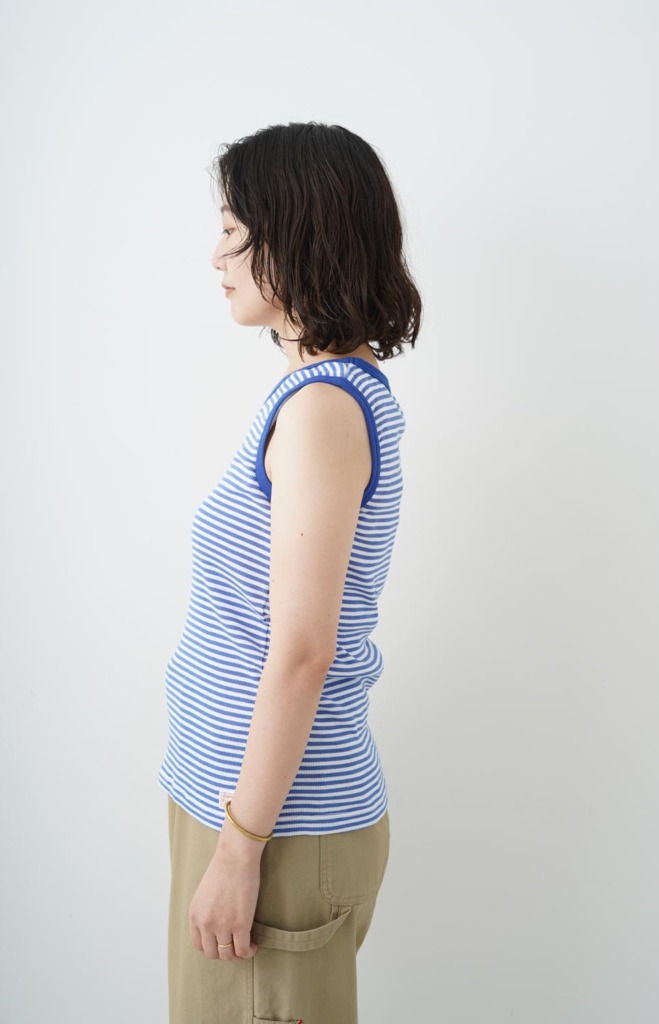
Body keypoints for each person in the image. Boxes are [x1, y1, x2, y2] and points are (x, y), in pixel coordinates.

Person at [158, 121, 422, 1024]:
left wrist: (239, 852)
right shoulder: (318, 393)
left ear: (298, 235)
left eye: (234, 232)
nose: (216, 256)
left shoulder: (322, 410)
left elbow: (303, 651)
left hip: (273, 830)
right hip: (247, 810)